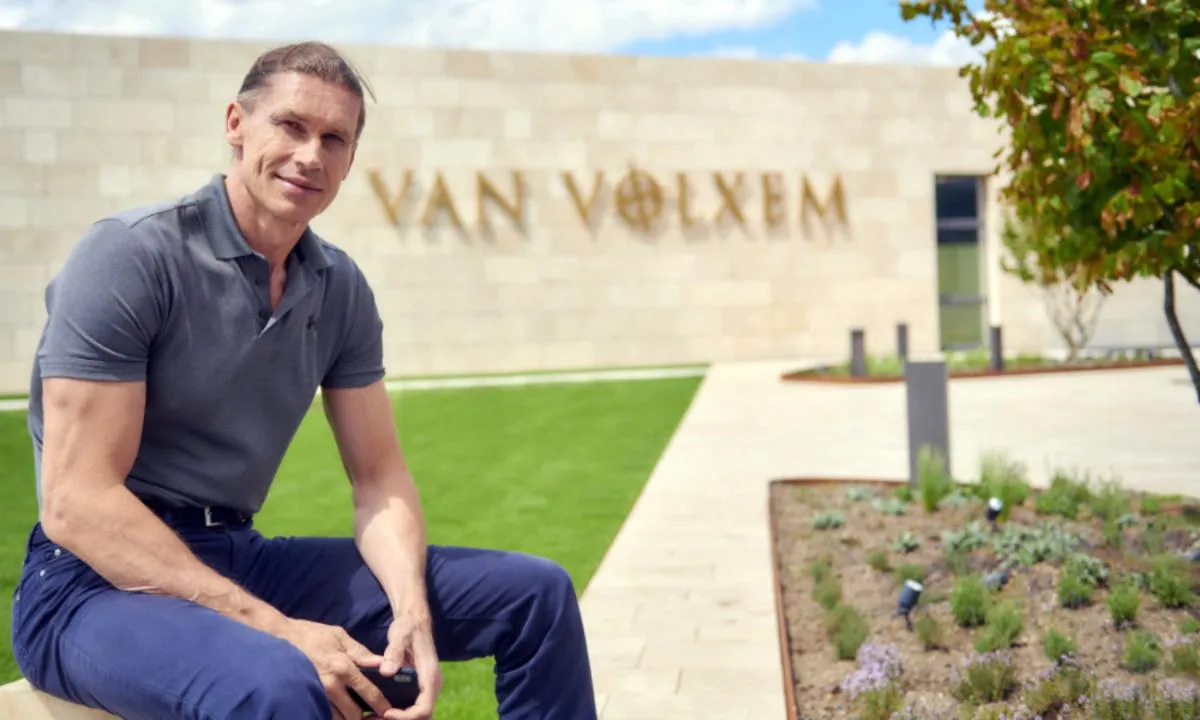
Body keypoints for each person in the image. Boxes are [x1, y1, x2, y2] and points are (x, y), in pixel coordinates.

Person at [9, 40, 598, 720]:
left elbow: (379, 480)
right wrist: (278, 627)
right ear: (236, 123)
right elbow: (77, 503)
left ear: (350, 159)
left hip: (235, 551)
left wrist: (411, 609)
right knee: (284, 683)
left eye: (334, 138)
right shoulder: (130, 255)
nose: (311, 154)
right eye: (290, 126)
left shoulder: (338, 287)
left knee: (535, 595)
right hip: (88, 586)